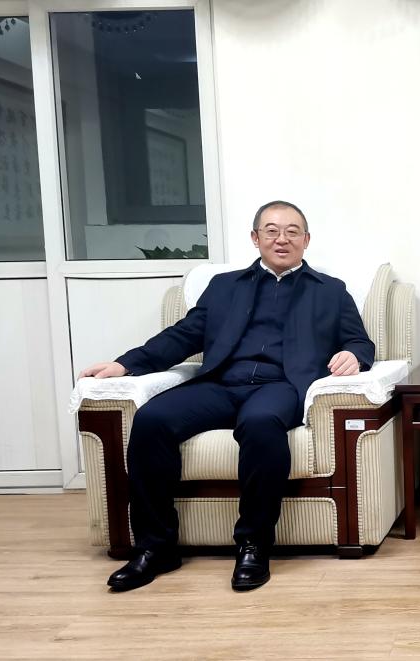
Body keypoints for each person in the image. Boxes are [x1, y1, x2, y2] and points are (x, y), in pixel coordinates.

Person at [79, 200, 375, 592]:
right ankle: (156, 547)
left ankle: (254, 544)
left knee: (261, 424)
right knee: (151, 420)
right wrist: (126, 363)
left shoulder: (330, 292)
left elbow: (360, 341)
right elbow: (184, 335)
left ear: (306, 240)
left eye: (292, 232)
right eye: (271, 231)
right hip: (220, 383)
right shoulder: (224, 287)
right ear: (255, 238)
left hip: (280, 386)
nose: (281, 239)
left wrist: (353, 355)